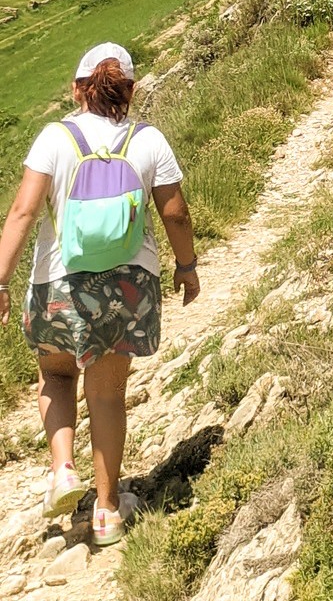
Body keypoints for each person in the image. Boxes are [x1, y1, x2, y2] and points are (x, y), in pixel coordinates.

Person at [0, 43, 199, 546]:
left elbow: (23, 213)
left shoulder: (54, 138)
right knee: (108, 394)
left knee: (56, 375)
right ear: (130, 91)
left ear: (76, 88)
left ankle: (64, 469)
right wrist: (187, 265)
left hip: (59, 283)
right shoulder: (149, 140)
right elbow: (174, 213)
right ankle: (108, 510)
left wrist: (0, 282)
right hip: (129, 286)